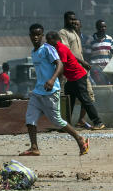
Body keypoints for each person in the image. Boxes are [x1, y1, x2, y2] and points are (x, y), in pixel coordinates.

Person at [19, 24, 88, 156]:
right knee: (30, 118)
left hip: (50, 92)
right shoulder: (34, 52)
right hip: (38, 91)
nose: (35, 37)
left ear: (42, 36)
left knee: (57, 120)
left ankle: (79, 139)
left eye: (38, 34)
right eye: (33, 35)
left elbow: (60, 64)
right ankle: (34, 147)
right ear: (29, 36)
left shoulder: (47, 49)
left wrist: (52, 80)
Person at [46, 30, 105, 129]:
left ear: (54, 40)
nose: (47, 42)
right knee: (69, 100)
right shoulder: (57, 48)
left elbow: (62, 66)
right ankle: (66, 125)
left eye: (48, 40)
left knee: (85, 100)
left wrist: (56, 81)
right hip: (72, 78)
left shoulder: (60, 49)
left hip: (78, 77)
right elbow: (71, 56)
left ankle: (98, 122)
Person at [58, 12, 96, 128]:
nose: (73, 22)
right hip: (69, 71)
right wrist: (83, 62)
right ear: (65, 20)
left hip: (80, 71)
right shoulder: (63, 33)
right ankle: (65, 124)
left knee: (88, 96)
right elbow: (67, 52)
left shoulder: (75, 32)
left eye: (74, 19)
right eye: (71, 19)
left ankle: (81, 120)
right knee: (68, 99)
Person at [87, 20, 113, 84]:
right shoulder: (91, 40)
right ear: (97, 28)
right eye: (101, 27)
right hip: (96, 69)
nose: (104, 28)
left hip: (107, 68)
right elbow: (88, 56)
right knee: (100, 86)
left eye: (105, 27)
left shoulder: (109, 39)